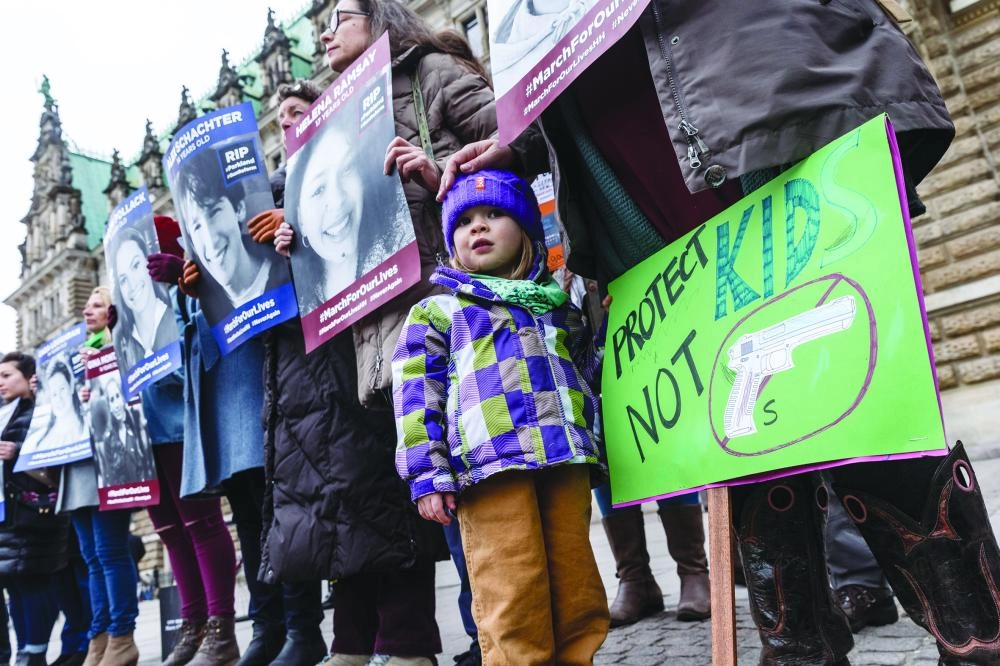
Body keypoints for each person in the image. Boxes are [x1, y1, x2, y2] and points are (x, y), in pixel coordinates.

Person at [437, 3, 1000, 663]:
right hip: (640, 187)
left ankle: (976, 642)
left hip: (754, 110)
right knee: (740, 424)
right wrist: (521, 139)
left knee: (862, 392)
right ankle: (799, 647)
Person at [394, 169, 610, 663]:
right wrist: (428, 474)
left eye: (495, 214)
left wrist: (604, 330)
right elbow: (413, 397)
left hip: (565, 461)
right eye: (465, 221)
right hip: (490, 470)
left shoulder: (556, 306)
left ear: (528, 232)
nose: (479, 227)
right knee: (511, 593)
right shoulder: (440, 310)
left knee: (578, 592)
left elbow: (583, 376)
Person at [142, 215, 241, 666]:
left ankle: (220, 625)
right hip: (146, 428)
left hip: (182, 418)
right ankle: (193, 623)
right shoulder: (133, 304)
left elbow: (199, 348)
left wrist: (181, 278)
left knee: (200, 523)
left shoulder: (187, 283)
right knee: (168, 530)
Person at [59, 287, 141, 666]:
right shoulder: (77, 356)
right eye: (86, 305)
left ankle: (122, 636)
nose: (87, 311)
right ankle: (101, 636)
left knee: (109, 553)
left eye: (96, 304)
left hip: (110, 461)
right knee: (92, 557)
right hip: (79, 464)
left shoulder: (120, 346)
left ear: (113, 311)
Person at [282, 95, 411, 313]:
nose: (337, 200)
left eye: (347, 169)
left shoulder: (397, 239)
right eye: (318, 189)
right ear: (299, 218)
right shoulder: (306, 299)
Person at [0, 351, 71, 666]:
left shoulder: (42, 412)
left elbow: (57, 459)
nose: (0, 383)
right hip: (8, 516)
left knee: (32, 584)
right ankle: (24, 651)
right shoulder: (5, 415)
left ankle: (36, 650)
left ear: (29, 379)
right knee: (15, 585)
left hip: (34, 515)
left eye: (6, 376)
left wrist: (17, 453)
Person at [174, 148, 283, 317]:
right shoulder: (204, 315)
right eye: (196, 226)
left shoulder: (287, 266)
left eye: (214, 212)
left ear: (239, 208)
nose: (211, 240)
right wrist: (202, 300)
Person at [107, 226, 175, 371]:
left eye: (136, 265)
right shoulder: (127, 343)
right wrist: (117, 341)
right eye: (123, 280)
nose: (132, 285)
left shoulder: (175, 315)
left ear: (149, 261)